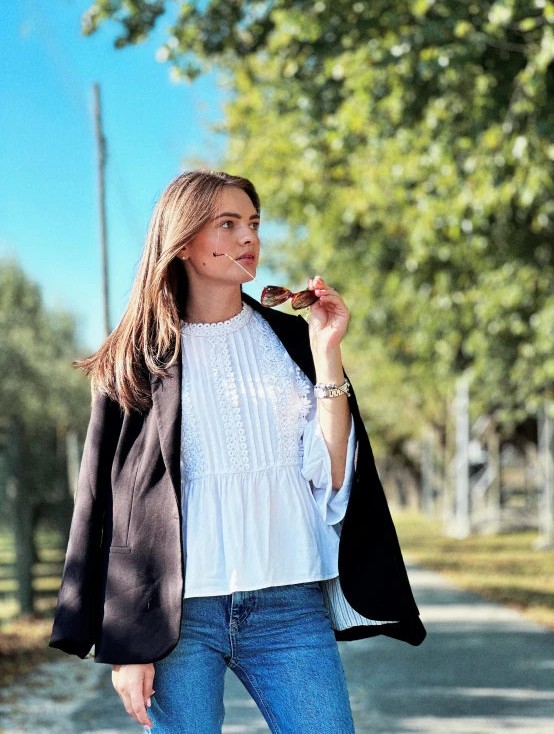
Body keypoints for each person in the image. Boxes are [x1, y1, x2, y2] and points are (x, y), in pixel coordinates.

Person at [49, 170, 426, 734]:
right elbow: (107, 507)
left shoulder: (293, 341)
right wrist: (126, 643)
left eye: (253, 223)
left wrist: (328, 354)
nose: (248, 237)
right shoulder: (135, 362)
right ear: (182, 241)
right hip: (179, 617)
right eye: (227, 224)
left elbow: (331, 477)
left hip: (290, 607)